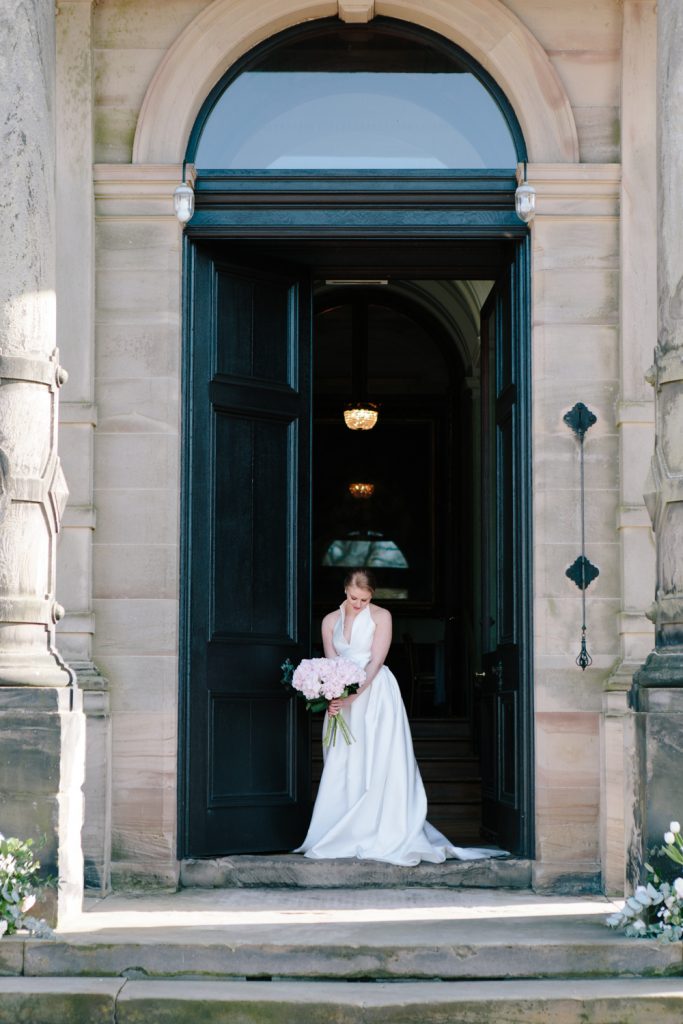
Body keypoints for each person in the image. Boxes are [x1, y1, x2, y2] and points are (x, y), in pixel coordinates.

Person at [295, 568, 507, 865]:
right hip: (341, 700)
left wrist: (351, 695)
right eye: (355, 598)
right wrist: (332, 697)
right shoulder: (330, 621)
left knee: (379, 759)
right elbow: (332, 665)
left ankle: (380, 827)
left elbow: (376, 661)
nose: (359, 604)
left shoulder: (382, 617)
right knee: (343, 760)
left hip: (376, 693)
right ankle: (341, 829)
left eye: (365, 600)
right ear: (345, 591)